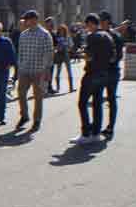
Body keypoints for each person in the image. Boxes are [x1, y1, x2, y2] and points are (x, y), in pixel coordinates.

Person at [74, 14, 114, 144]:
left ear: (91, 23)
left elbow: (89, 57)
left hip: (92, 73)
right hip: (105, 73)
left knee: (82, 103)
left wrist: (80, 54)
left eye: (87, 25)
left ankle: (86, 133)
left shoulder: (92, 37)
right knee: (97, 104)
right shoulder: (108, 36)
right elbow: (113, 57)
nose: (86, 27)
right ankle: (96, 133)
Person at [15, 10, 54, 132]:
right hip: (24, 70)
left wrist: (47, 70)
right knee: (21, 93)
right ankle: (24, 116)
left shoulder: (45, 34)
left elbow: (49, 53)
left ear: (34, 20)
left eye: (27, 19)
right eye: (25, 19)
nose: (26, 21)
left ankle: (37, 120)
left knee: (38, 97)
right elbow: (20, 53)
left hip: (39, 71)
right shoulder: (23, 34)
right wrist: (19, 68)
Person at [100, 12, 125, 140]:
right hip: (99, 72)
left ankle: (110, 127)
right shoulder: (98, 35)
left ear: (108, 22)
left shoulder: (115, 36)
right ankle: (96, 127)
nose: (101, 23)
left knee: (111, 99)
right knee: (98, 100)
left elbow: (119, 55)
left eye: (103, 21)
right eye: (100, 21)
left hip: (111, 71)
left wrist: (108, 60)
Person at [53, 24, 74, 93]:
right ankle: (58, 88)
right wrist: (57, 48)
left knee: (69, 70)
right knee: (58, 71)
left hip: (66, 54)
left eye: (63, 30)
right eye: (60, 30)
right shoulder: (56, 37)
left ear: (65, 30)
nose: (61, 31)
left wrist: (67, 48)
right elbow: (54, 46)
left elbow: (71, 45)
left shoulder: (67, 37)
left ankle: (71, 87)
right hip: (59, 54)